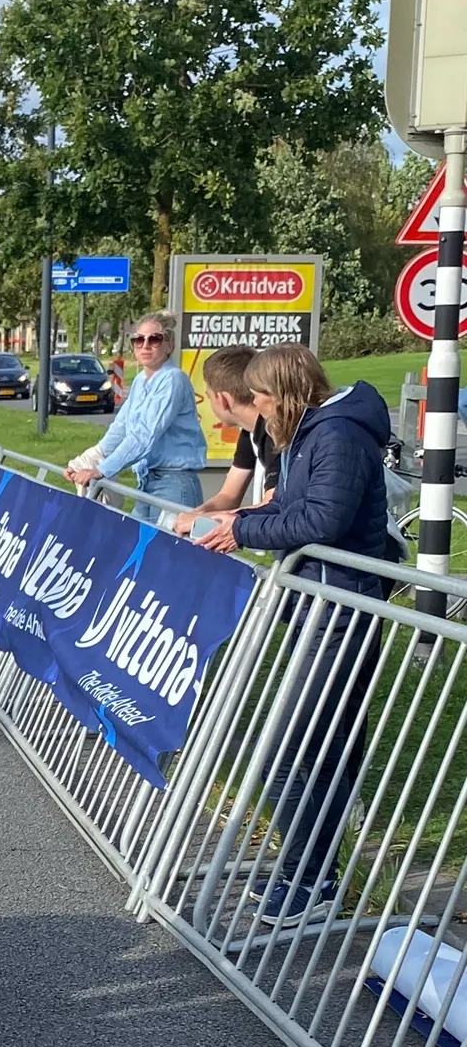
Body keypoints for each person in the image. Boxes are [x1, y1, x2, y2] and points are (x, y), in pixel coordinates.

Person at [199, 345, 395, 927]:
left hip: (340, 608)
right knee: (321, 754)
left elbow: (323, 521)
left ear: (282, 394)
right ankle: (310, 874)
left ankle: (310, 877)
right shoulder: (309, 432)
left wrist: (241, 531)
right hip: (316, 602)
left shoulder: (336, 434)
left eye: (259, 398)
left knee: (283, 755)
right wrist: (244, 520)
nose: (255, 410)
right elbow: (289, 502)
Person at [65, 310, 206, 523]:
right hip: (147, 480)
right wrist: (85, 461)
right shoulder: (141, 380)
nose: (145, 345)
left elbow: (144, 436)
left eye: (155, 339)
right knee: (139, 548)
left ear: (170, 345)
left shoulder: (173, 379)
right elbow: (120, 429)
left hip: (175, 483)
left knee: (169, 553)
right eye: (138, 340)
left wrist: (101, 471)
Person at [171, 345, 278, 537]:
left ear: (223, 400)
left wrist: (205, 521)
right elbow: (228, 495)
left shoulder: (277, 433)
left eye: (209, 396)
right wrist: (196, 514)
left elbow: (272, 506)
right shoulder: (249, 430)